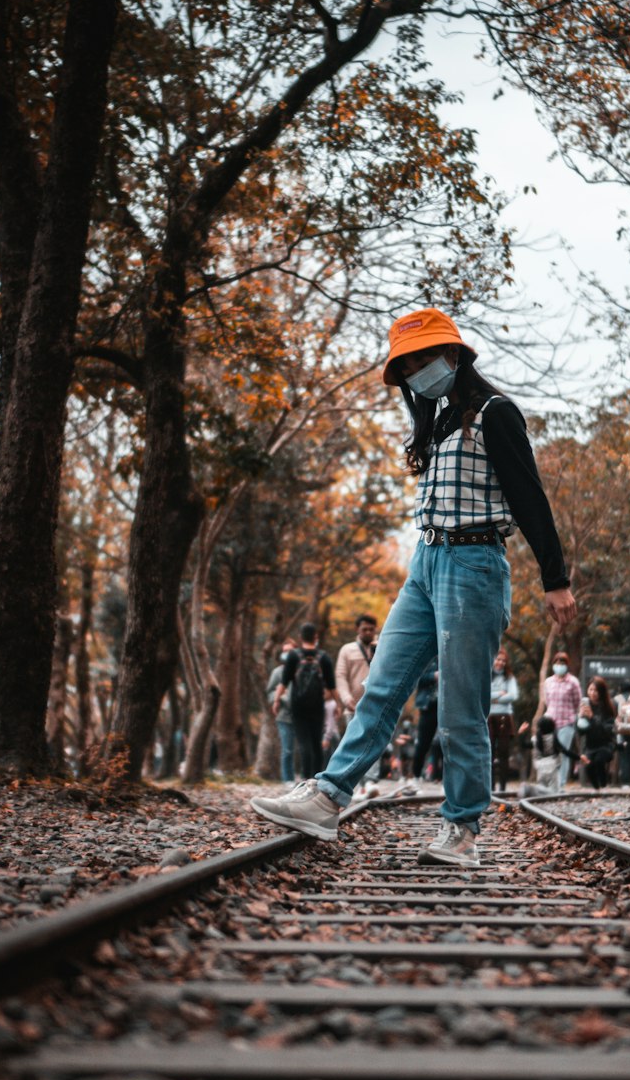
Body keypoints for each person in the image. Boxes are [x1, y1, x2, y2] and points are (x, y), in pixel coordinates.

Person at [250, 305, 576, 866]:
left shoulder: (495, 413)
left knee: (460, 709)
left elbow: (529, 497)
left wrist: (556, 579)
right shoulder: (438, 419)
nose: (417, 371)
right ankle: (328, 796)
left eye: (423, 357)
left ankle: (463, 831)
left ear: (453, 354)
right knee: (382, 686)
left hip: (474, 566)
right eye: (407, 364)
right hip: (425, 564)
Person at [271, 624, 338, 781]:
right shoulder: (324, 657)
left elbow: (284, 682)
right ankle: (316, 780)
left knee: (304, 743)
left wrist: (276, 700)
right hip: (317, 705)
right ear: (316, 637)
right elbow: (332, 685)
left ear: (301, 638)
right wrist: (339, 704)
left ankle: (306, 778)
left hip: (298, 706)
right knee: (316, 743)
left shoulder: (294, 656)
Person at [335, 613, 383, 785]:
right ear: (357, 629)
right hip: (353, 705)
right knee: (354, 742)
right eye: (365, 629)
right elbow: (340, 675)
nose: (368, 632)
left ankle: (371, 781)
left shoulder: (383, 646)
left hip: (375, 703)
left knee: (374, 741)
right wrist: (346, 698)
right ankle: (355, 781)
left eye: (371, 629)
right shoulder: (347, 650)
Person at [524, 651, 583, 790]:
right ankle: (548, 782)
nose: (559, 665)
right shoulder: (548, 682)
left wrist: (572, 715)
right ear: (553, 664)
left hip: (567, 721)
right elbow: (547, 701)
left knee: (563, 753)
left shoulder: (573, 682)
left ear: (567, 665)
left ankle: (560, 783)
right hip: (550, 722)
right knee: (549, 753)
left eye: (562, 663)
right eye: (557, 663)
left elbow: (577, 702)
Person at [265, 639, 297, 781]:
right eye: (284, 651)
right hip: (284, 716)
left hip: (303, 715)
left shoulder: (302, 669)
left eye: (290, 651)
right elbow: (270, 692)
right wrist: (281, 698)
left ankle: (307, 779)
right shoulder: (277, 672)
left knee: (305, 750)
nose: (287, 654)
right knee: (287, 750)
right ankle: (288, 780)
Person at [489, 649, 519, 793]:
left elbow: (513, 696)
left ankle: (502, 787)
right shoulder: (487, 675)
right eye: (498, 659)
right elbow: (483, 694)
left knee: (503, 752)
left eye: (503, 660)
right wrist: (499, 694)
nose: (500, 662)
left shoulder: (509, 677)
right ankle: (490, 786)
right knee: (489, 753)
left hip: (504, 717)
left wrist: (493, 698)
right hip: (489, 717)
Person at [579, 674, 616, 789]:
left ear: (602, 692)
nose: (592, 693)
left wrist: (592, 717)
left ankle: (604, 787)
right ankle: (597, 790)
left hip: (606, 745)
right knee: (589, 767)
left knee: (599, 761)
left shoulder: (608, 707)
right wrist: (580, 719)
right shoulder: (585, 706)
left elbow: (606, 730)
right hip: (590, 746)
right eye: (590, 689)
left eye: (596, 690)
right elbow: (580, 732)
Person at [411, 658, 440, 782]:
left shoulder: (453, 653)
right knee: (423, 744)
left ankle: (444, 780)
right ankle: (416, 777)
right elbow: (415, 679)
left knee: (448, 744)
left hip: (449, 706)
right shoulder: (427, 657)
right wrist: (433, 676)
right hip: (428, 706)